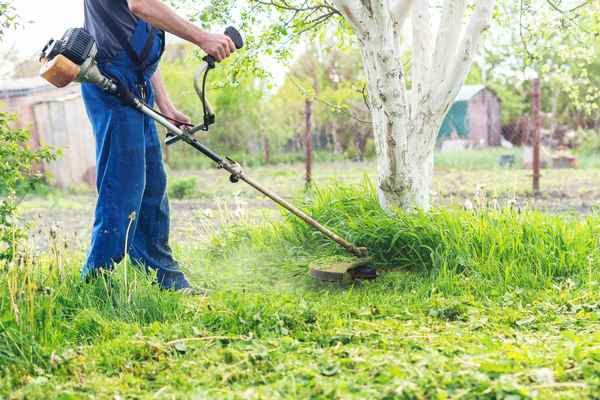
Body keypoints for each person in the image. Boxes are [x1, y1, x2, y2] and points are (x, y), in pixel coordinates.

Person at [81, 0, 236, 291]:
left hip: (134, 80)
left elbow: (142, 46)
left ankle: (164, 279)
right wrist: (203, 37)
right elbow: (141, 5)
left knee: (152, 185)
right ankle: (95, 283)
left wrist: (166, 106)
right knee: (123, 186)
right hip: (111, 80)